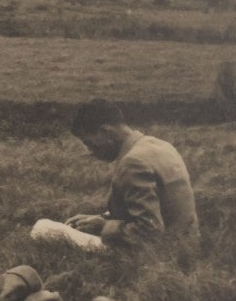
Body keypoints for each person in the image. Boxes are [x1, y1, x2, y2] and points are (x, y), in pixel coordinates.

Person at [31, 99, 200, 251]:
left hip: (161, 251)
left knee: (43, 228)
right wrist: (101, 218)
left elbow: (149, 232)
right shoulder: (159, 145)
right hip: (186, 243)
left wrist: (104, 226)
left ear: (105, 131)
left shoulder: (134, 162)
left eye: (89, 143)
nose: (91, 151)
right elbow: (155, 206)